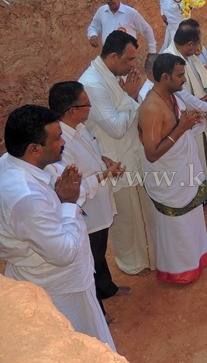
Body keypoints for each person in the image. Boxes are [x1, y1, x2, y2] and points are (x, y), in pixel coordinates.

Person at [0, 105, 116, 350]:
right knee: (82, 345)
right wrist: (68, 204)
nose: (64, 142)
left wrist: (69, 197)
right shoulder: (26, 197)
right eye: (57, 138)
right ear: (34, 149)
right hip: (60, 287)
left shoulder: (16, 162)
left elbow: (67, 188)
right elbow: (63, 254)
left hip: (59, 278)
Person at [49, 81, 132, 324]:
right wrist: (105, 174)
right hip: (88, 212)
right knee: (91, 260)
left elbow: (93, 154)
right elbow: (73, 185)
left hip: (101, 205)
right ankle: (98, 311)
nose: (91, 107)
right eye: (86, 103)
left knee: (99, 253)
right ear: (72, 111)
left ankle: (107, 288)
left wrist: (105, 161)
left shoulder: (80, 127)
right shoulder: (60, 143)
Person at [79, 30, 157, 276]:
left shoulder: (109, 75)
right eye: (130, 59)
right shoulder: (92, 83)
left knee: (141, 211)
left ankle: (148, 257)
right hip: (114, 160)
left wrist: (126, 97)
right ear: (113, 56)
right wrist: (129, 96)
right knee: (125, 218)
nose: (134, 65)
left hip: (130, 156)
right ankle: (131, 263)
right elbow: (115, 128)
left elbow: (124, 112)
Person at [138, 53, 207, 283]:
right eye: (180, 75)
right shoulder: (151, 107)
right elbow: (151, 154)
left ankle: (198, 256)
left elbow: (173, 128)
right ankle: (180, 270)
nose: (184, 79)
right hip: (169, 180)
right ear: (164, 77)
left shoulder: (172, 95)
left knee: (192, 220)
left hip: (183, 174)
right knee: (178, 226)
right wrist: (182, 128)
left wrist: (189, 121)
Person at [164, 21, 207, 193]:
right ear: (189, 44)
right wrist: (206, 107)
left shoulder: (193, 59)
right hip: (188, 120)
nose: (199, 47)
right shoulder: (169, 59)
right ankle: (199, 195)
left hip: (204, 114)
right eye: (197, 43)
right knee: (195, 156)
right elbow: (181, 93)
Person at [87, 0, 157, 54]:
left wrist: (152, 51)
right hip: (108, 56)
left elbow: (147, 30)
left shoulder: (130, 13)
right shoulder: (101, 11)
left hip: (126, 57)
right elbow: (93, 27)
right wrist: (93, 35)